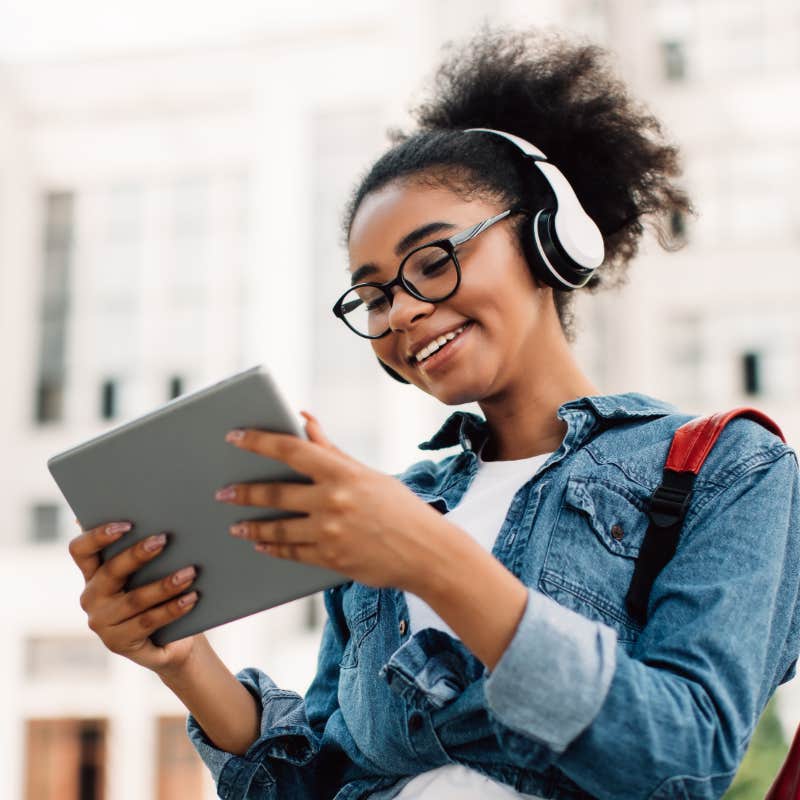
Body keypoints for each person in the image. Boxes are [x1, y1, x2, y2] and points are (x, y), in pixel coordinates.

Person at [68, 27, 800, 800]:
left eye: (433, 260)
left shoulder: (728, 468)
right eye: (376, 295)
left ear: (548, 241)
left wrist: (432, 559)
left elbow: (684, 758)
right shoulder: (393, 508)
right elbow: (316, 785)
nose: (404, 312)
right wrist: (185, 661)